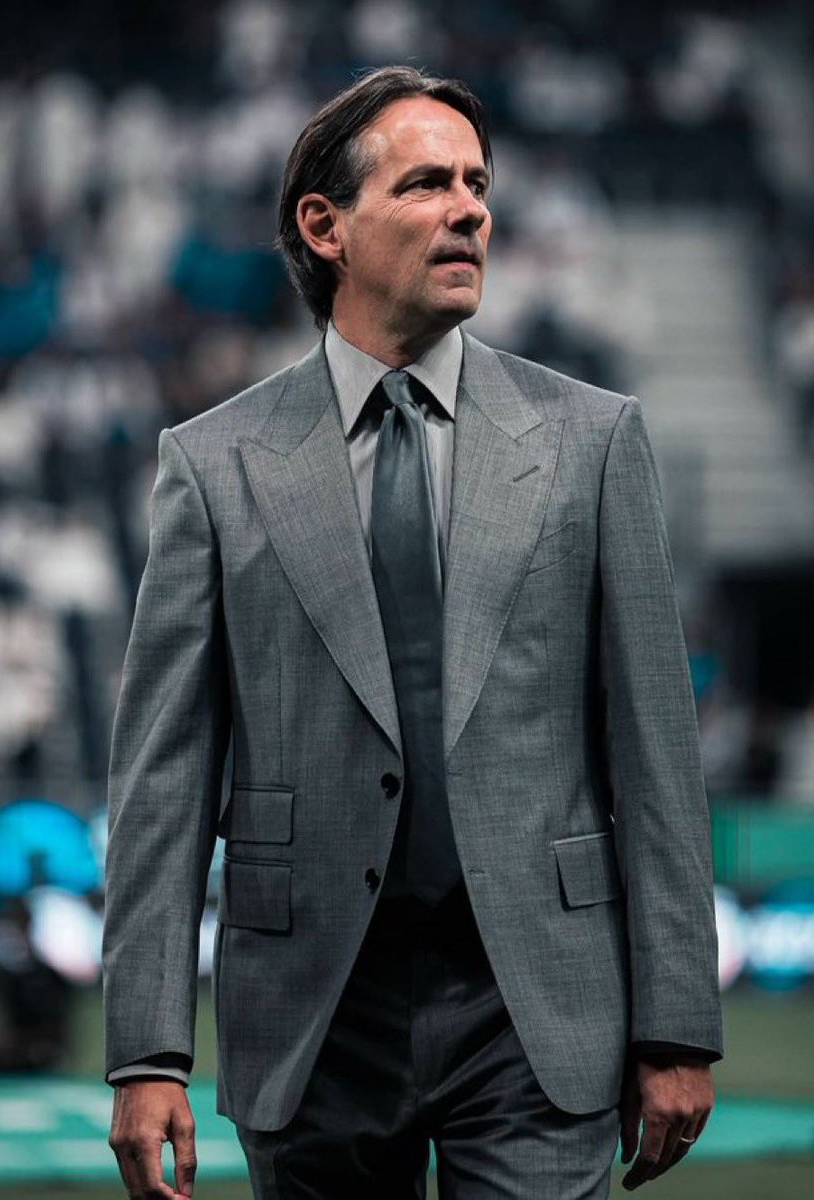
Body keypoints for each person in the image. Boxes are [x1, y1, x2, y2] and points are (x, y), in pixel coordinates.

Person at [103, 65, 723, 1200]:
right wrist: (148, 1053)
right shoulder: (212, 464)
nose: (470, 210)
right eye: (427, 183)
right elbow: (164, 778)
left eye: (477, 184)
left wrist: (677, 1019)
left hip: (536, 1006)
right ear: (324, 226)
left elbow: (656, 751)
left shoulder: (592, 441)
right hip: (310, 1014)